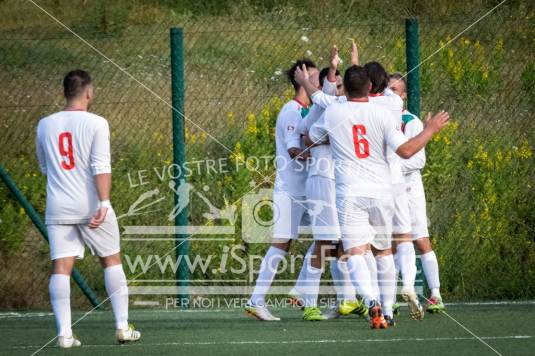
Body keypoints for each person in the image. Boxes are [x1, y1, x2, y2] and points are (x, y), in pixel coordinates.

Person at [302, 64, 448, 329]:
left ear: (344, 88)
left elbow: (310, 138)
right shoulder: (382, 113)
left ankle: (370, 300)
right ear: (370, 87)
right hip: (381, 192)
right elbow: (405, 151)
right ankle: (388, 309)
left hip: (349, 192)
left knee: (355, 252)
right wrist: (430, 130)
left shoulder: (334, 111)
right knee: (383, 252)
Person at [36, 70, 140, 348]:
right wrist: (104, 202)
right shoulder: (97, 123)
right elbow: (101, 166)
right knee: (111, 259)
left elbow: (45, 167)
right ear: (89, 93)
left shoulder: (45, 124)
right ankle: (121, 327)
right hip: (92, 205)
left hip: (58, 205)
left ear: (65, 92)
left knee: (61, 266)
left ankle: (64, 334)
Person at [287, 45, 365, 321]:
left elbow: (331, 90)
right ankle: (309, 303)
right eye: (337, 82)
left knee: (343, 243)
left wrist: (340, 65)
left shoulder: (342, 105)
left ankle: (346, 299)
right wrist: (312, 78)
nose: (340, 86)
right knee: (324, 243)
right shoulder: (329, 107)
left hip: (342, 181)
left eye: (344, 83)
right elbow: (305, 137)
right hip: (323, 179)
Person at [244, 59, 319, 321]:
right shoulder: (292, 110)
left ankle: (299, 289)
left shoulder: (309, 110)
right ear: (304, 79)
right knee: (282, 243)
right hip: (290, 190)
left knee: (329, 239)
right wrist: (321, 154)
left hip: (307, 190)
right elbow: (293, 150)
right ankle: (256, 300)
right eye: (316, 77)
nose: (319, 82)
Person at [389, 73, 445, 313]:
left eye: (395, 90)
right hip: (386, 189)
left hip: (409, 188)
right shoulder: (379, 116)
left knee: (420, 239)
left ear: (404, 96)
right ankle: (388, 298)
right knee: (389, 244)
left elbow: (418, 159)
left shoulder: (410, 121)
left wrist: (389, 167)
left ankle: (435, 294)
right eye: (387, 89)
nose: (390, 93)